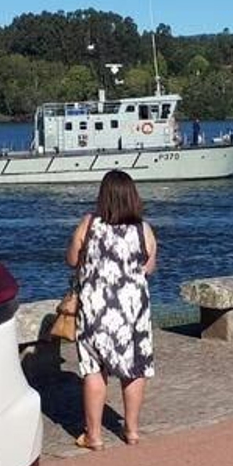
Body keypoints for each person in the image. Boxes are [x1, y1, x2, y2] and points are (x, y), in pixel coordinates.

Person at [66, 170, 158, 447]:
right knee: (134, 367)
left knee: (94, 368)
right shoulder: (143, 229)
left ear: (103, 196)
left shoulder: (89, 223)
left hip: (96, 307)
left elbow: (72, 259)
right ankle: (131, 431)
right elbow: (149, 267)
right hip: (133, 309)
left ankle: (93, 436)